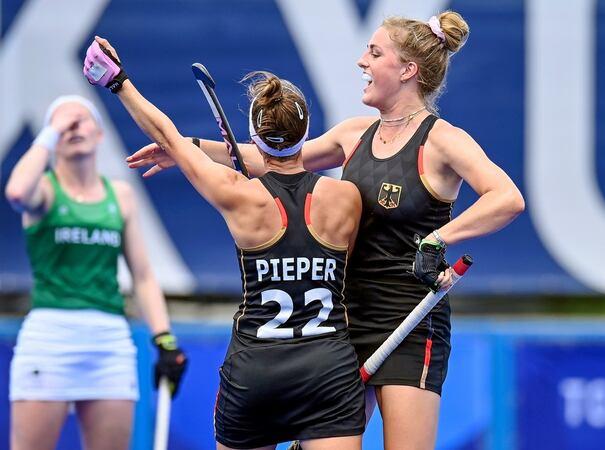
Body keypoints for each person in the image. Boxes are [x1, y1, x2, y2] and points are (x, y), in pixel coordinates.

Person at [128, 10, 525, 449]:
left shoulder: (444, 139)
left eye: (374, 53)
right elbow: (277, 157)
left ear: (408, 70)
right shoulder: (355, 133)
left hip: (410, 322)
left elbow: (506, 198)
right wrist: (186, 148)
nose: (362, 62)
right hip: (343, 320)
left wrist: (439, 239)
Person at [84, 37, 365, 450]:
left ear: (254, 134)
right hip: (328, 371)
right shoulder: (347, 198)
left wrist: (118, 81)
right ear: (306, 132)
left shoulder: (238, 194)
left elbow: (169, 137)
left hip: (256, 372)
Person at [4, 94, 187, 450]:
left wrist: (164, 339)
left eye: (82, 119)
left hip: (109, 342)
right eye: (62, 122)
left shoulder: (119, 196)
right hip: (50, 337)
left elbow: (143, 276)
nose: (73, 125)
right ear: (51, 138)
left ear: (100, 134)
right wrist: (51, 132)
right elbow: (15, 190)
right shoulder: (44, 191)